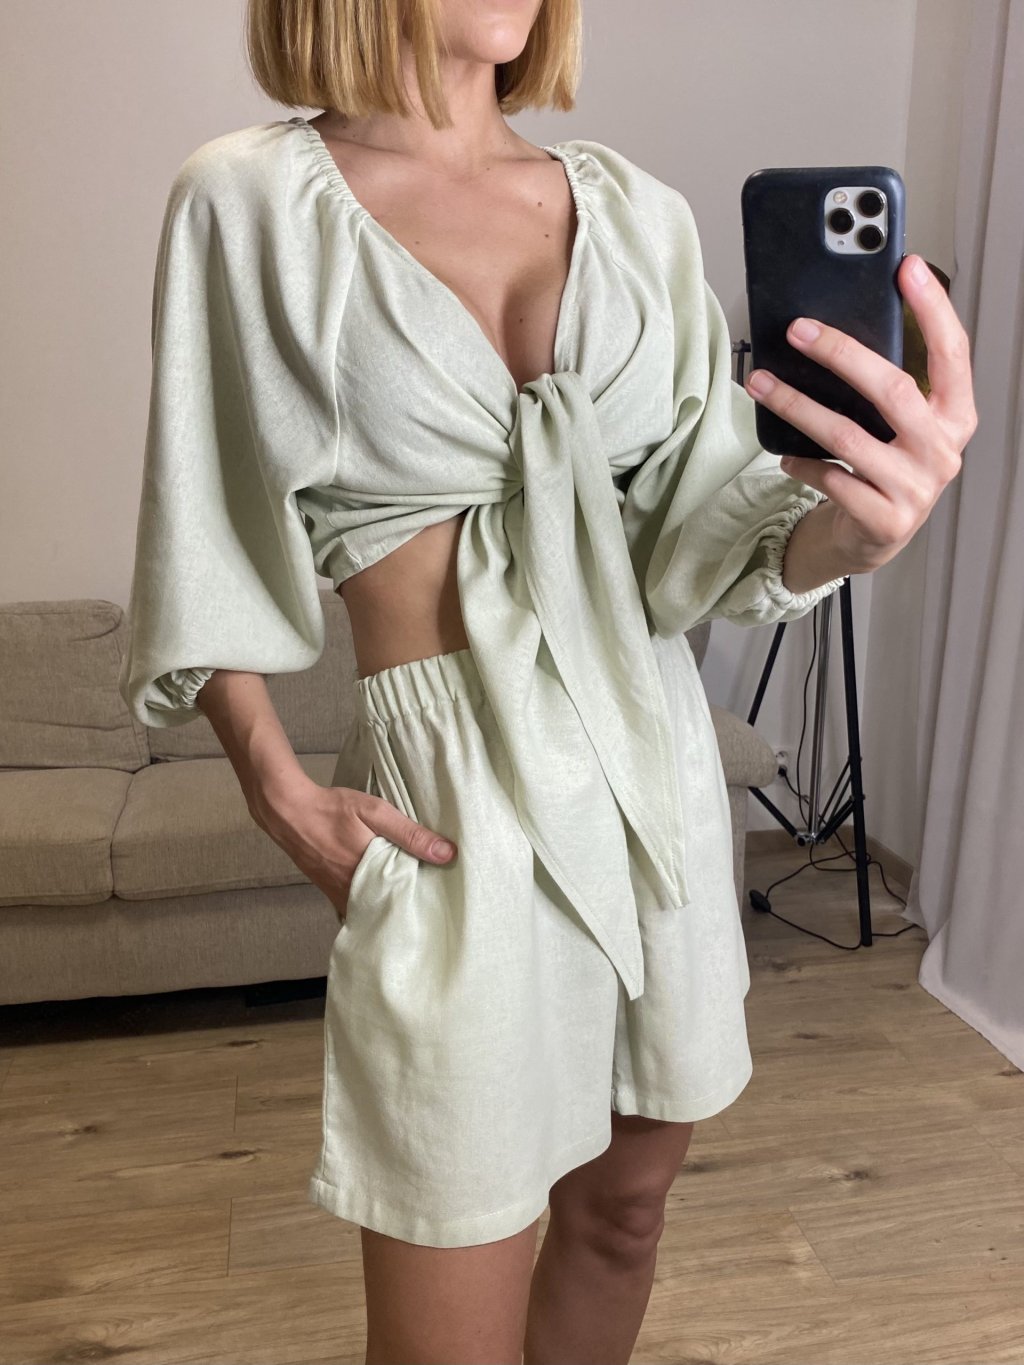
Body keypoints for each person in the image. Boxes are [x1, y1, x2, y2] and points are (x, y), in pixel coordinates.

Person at [118, 1, 976, 1361]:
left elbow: (700, 538)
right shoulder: (248, 201)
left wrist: (855, 532)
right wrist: (279, 790)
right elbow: (204, 520)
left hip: (650, 765)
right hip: (450, 798)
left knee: (625, 1215)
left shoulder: (637, 215)